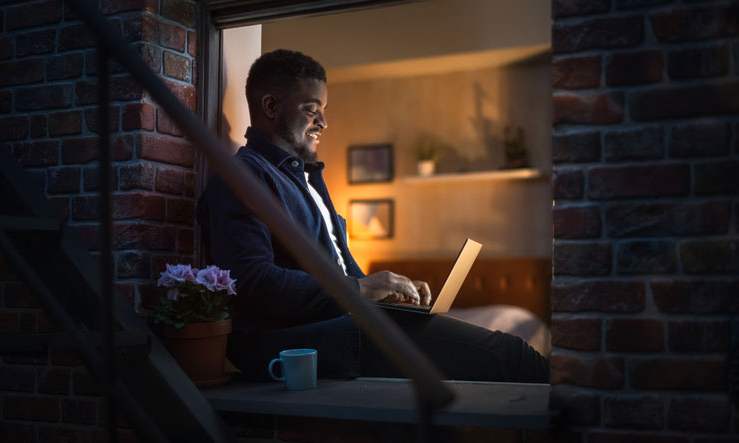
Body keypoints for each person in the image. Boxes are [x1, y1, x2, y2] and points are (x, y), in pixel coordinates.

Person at [197, 49, 548, 383]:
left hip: (351, 324)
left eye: (324, 109)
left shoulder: (306, 180)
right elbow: (252, 281)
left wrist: (388, 292)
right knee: (511, 355)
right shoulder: (241, 178)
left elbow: (342, 275)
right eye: (311, 109)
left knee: (503, 356)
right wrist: (362, 288)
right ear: (271, 106)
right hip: (314, 340)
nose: (323, 122)